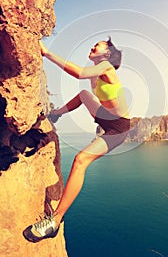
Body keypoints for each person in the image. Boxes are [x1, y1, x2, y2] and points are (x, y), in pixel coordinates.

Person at [23, 37, 130, 243]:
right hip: (104, 118)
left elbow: (79, 73)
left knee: (80, 160)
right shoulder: (96, 73)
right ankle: (56, 114)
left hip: (117, 128)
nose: (93, 45)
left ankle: (54, 221)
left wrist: (46, 53)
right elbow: (89, 88)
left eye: (99, 44)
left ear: (107, 54)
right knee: (83, 94)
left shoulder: (107, 67)